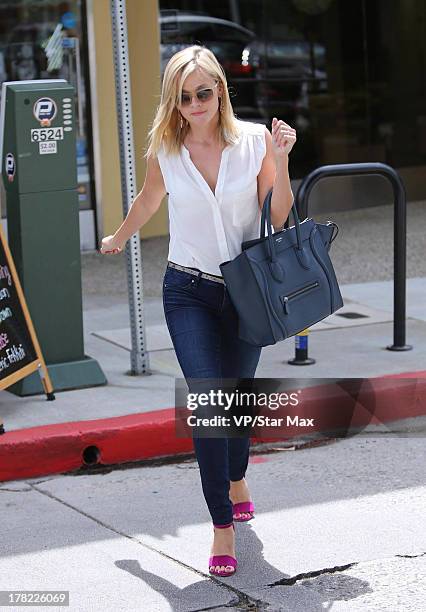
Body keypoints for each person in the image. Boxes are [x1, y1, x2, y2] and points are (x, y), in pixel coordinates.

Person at [100, 44, 296, 577]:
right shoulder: (165, 149)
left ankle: (237, 477)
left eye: (203, 93)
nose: (194, 104)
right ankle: (221, 525)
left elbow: (277, 216)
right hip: (187, 290)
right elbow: (148, 199)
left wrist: (280, 159)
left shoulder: (254, 141)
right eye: (184, 97)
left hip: (246, 292)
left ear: (220, 92)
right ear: (175, 101)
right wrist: (119, 236)